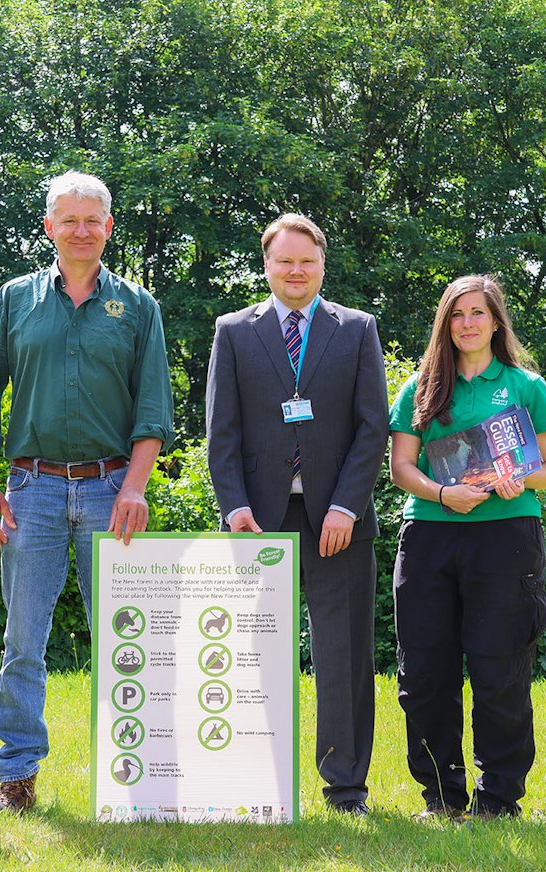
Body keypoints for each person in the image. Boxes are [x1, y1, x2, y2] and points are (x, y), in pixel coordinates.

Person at [0, 170, 174, 816]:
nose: (81, 230)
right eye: (68, 219)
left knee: (125, 637)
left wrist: (135, 487)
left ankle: (139, 781)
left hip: (112, 491)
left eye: (93, 220)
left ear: (109, 228)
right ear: (49, 227)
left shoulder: (137, 307)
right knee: (24, 639)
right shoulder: (13, 300)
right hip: (32, 491)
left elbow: (154, 408)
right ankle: (17, 778)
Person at [205, 213, 389, 816]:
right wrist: (232, 508)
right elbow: (221, 433)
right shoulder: (233, 332)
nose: (296, 271)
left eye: (306, 262)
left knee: (343, 654)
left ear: (322, 266)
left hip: (337, 521)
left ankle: (345, 788)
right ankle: (260, 779)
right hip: (258, 521)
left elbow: (371, 431)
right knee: (255, 654)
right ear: (266, 265)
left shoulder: (357, 330)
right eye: (285, 261)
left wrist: (345, 505)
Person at [388, 274, 546, 820]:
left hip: (505, 538)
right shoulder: (419, 389)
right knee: (425, 673)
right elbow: (400, 467)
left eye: (478, 313)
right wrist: (444, 493)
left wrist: (518, 479)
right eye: (457, 314)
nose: (467, 323)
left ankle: (499, 801)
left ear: (495, 321)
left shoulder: (527, 386)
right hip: (429, 537)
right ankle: (441, 798)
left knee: (500, 669)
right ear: (446, 323)